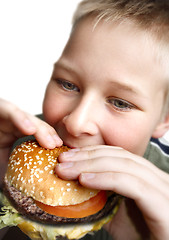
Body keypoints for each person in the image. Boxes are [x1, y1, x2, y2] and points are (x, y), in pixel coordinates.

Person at [1, 0, 169, 239]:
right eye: (67, 84)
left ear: (163, 120)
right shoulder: (13, 142)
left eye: (120, 103)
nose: (76, 123)